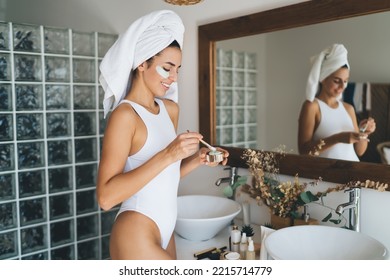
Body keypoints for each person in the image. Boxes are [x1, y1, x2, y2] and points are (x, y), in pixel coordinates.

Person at [96, 10, 229, 260]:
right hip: (135, 230)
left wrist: (198, 159)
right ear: (142, 63)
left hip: (166, 229)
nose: (174, 78)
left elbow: (162, 177)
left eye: (177, 69)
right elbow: (105, 198)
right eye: (167, 68)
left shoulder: (170, 110)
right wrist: (169, 154)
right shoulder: (125, 116)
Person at [298, 43, 376, 161]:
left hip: (354, 173)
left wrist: (364, 132)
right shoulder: (312, 107)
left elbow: (360, 151)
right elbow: (303, 151)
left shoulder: (348, 108)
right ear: (323, 78)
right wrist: (338, 138)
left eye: (345, 81)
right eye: (336, 81)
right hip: (325, 176)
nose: (342, 86)